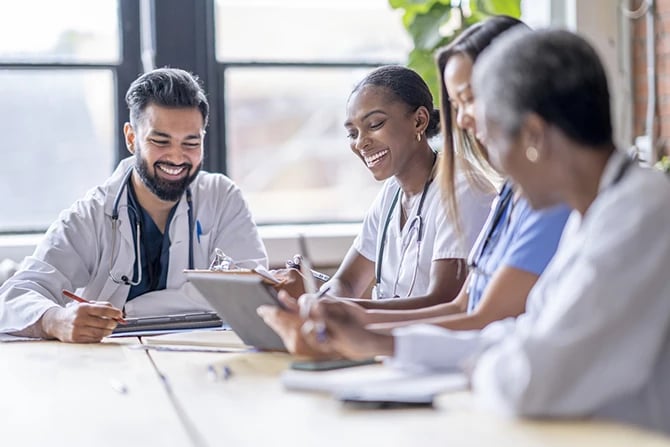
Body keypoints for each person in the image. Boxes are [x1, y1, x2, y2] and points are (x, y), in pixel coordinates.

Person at [301, 29, 670, 433]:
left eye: (492, 138)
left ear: (533, 136)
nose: (499, 173)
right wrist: (380, 342)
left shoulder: (639, 216)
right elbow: (518, 334)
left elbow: (530, 378)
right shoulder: (596, 211)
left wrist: (478, 364)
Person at [259, 16, 569, 355]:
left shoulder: (517, 197)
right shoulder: (513, 196)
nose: (464, 120)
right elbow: (464, 306)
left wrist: (364, 328)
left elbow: (470, 311)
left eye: (471, 100)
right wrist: (333, 311)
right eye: (352, 133)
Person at [0, 68, 267, 343]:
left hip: (201, 361)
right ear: (131, 138)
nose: (177, 157)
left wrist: (129, 310)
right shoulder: (91, 214)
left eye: (191, 142)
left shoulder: (223, 198)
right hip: (108, 366)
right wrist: (56, 320)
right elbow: (16, 294)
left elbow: (251, 296)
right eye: (160, 141)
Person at [281, 65, 494, 306]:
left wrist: (342, 309)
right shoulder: (392, 194)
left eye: (374, 125)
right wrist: (314, 296)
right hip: (392, 337)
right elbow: (348, 283)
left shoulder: (464, 189)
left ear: (419, 121)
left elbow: (443, 301)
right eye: (352, 133)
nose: (361, 143)